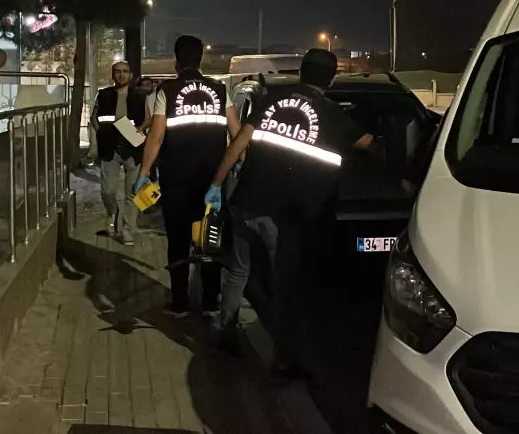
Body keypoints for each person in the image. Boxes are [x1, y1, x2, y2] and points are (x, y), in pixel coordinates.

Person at [205, 49, 376, 379]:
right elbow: (371, 145)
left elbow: (238, 143)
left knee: (238, 271)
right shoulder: (332, 114)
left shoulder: (270, 100)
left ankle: (225, 332)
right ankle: (284, 360)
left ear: (301, 72)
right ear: (331, 79)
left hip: (246, 202)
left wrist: (216, 184)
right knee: (284, 288)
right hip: (281, 217)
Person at [136, 36, 239, 317]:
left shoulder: (167, 90)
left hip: (177, 179)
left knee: (179, 240)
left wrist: (144, 172)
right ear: (200, 59)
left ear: (176, 62)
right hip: (213, 180)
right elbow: (236, 131)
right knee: (210, 239)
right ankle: (210, 302)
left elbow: (156, 136)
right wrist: (238, 164)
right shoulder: (219, 90)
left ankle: (180, 302)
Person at [90, 62, 147, 245]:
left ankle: (128, 230)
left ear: (130, 75)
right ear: (113, 74)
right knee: (108, 190)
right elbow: (94, 117)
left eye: (125, 71)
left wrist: (139, 131)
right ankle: (113, 214)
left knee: (132, 193)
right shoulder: (104, 95)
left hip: (133, 147)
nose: (121, 75)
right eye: (117, 72)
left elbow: (148, 119)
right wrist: (100, 134)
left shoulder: (140, 96)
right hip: (110, 147)